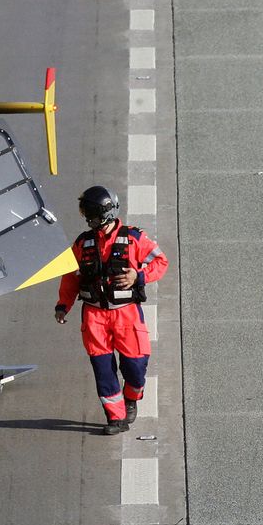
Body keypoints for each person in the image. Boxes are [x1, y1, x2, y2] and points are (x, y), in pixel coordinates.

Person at [55, 185, 168, 435]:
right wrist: (64, 305)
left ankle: (131, 397)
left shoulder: (135, 238)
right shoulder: (82, 243)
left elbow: (161, 262)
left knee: (136, 367)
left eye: (90, 212)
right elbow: (70, 277)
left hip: (126, 313)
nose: (86, 217)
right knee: (103, 369)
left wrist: (138, 276)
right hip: (94, 316)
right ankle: (115, 418)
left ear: (102, 212)